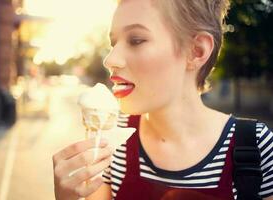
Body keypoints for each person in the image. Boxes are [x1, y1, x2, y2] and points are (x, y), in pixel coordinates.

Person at [53, 0, 273, 199]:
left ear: (196, 51)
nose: (110, 60)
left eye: (136, 40)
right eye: (113, 43)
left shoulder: (255, 147)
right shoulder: (112, 140)